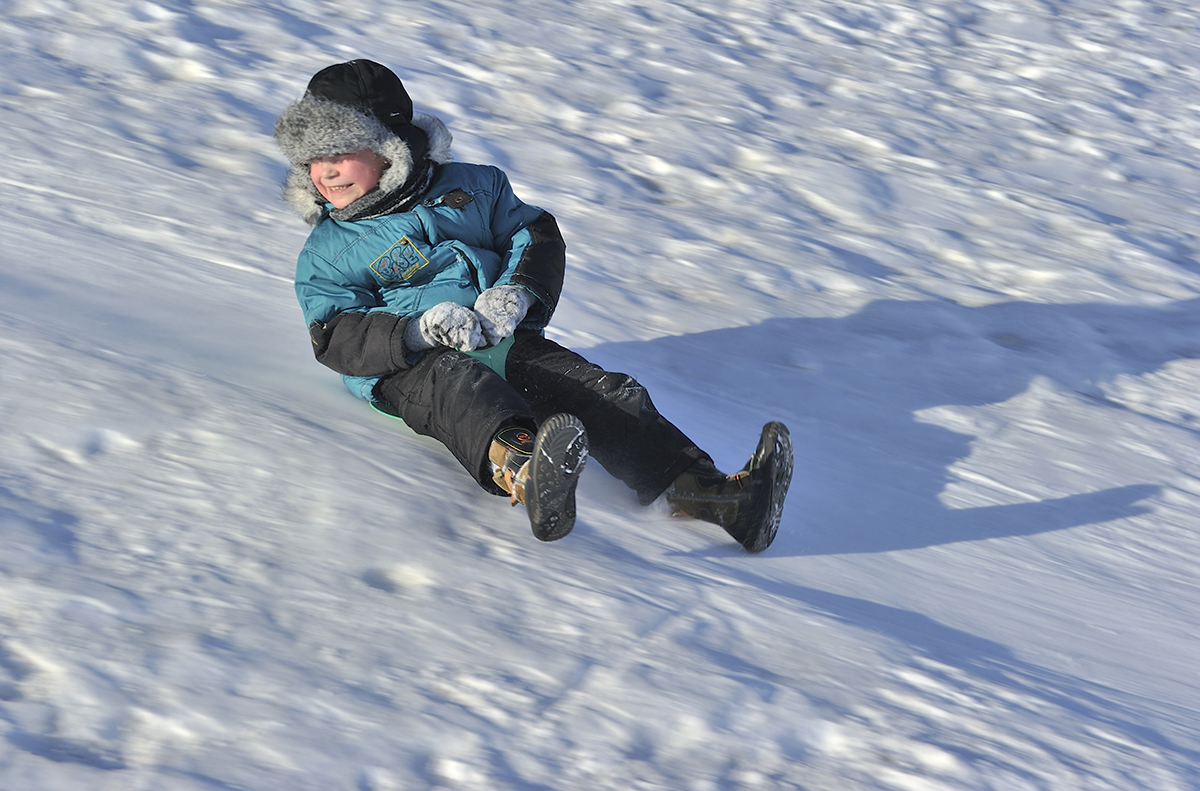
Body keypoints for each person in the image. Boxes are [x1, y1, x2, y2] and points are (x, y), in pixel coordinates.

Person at [274, 60, 792, 551]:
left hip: (502, 338)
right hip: (410, 368)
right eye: (313, 158)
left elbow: (533, 234)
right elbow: (333, 331)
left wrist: (516, 293)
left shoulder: (476, 187)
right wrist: (417, 333)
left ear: (390, 147)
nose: (326, 172)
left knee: (605, 394)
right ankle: (524, 469)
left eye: (340, 153)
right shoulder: (329, 252)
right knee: (463, 389)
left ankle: (715, 495)